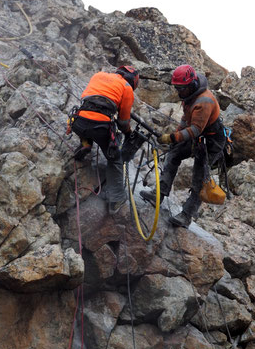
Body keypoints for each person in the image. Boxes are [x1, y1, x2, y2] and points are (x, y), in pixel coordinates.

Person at [140, 64, 226, 227]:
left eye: (182, 88)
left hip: (211, 141)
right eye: (177, 88)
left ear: (191, 84)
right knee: (174, 154)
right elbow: (186, 121)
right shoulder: (189, 96)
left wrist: (171, 137)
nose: (179, 92)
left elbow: (195, 129)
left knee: (199, 178)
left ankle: (186, 216)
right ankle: (160, 193)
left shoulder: (204, 101)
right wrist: (176, 140)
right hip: (198, 137)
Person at [69, 65, 139, 213]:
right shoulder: (127, 88)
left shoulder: (98, 75)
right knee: (114, 158)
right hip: (100, 126)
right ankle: (117, 198)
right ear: (133, 81)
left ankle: (86, 143)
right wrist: (128, 132)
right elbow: (123, 121)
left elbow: (86, 97)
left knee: (87, 123)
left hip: (79, 121)